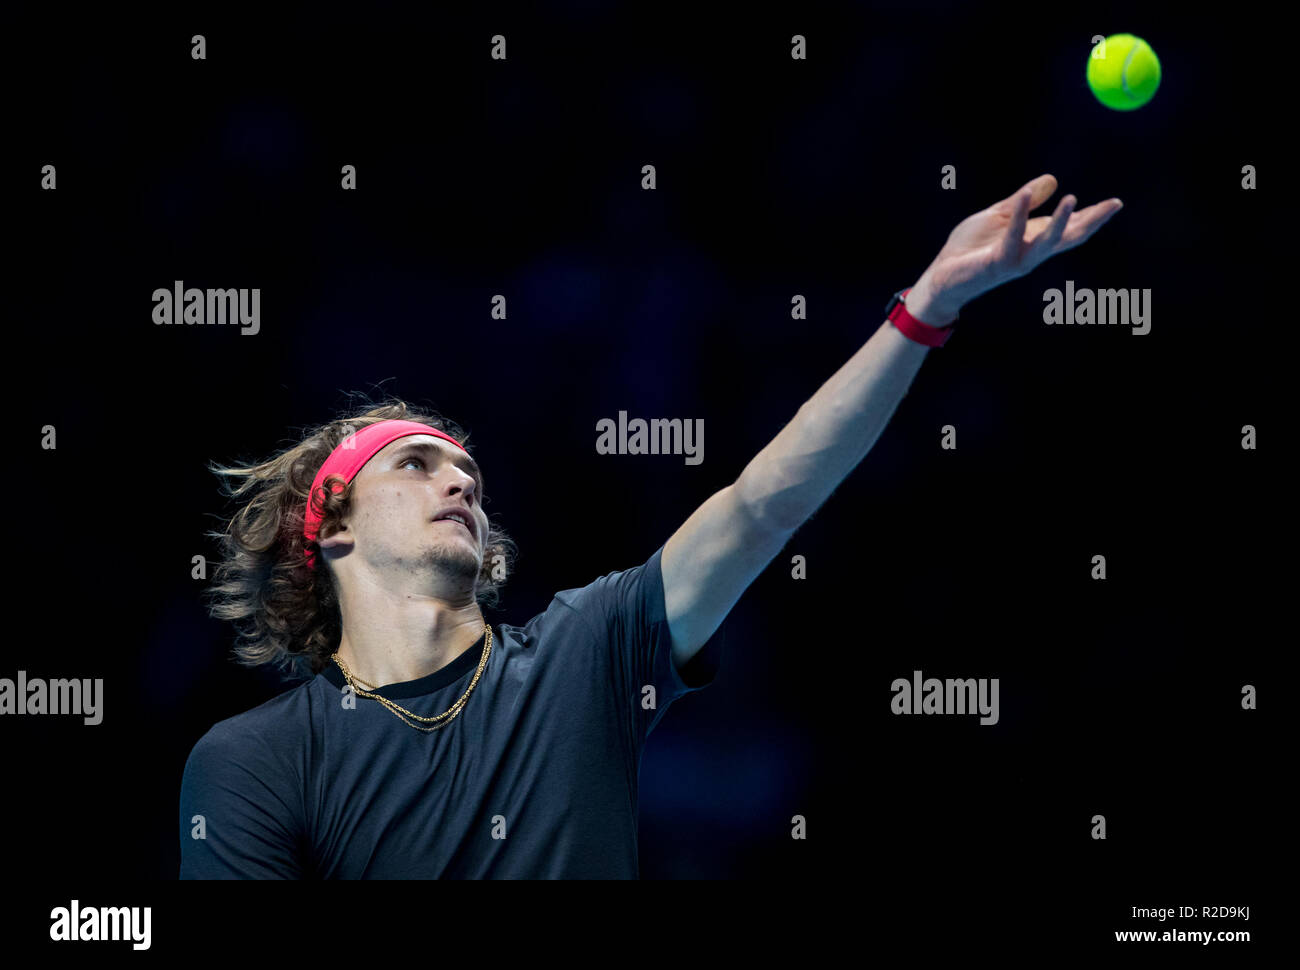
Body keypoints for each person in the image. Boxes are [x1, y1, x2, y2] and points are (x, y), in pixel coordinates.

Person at [179, 174, 1121, 878]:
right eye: (415, 464)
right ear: (331, 528)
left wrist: (927, 308)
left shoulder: (586, 651)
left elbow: (761, 503)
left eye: (469, 470)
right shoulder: (254, 760)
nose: (459, 481)